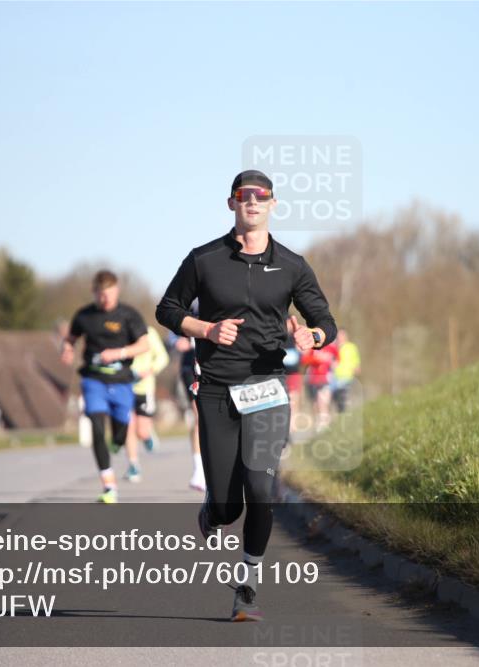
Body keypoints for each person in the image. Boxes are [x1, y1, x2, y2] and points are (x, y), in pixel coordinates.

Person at [156, 169, 337, 622]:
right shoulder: (205, 259)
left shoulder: (293, 265)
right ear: (232, 203)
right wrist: (207, 329)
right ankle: (213, 510)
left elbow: (325, 322)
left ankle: (248, 588)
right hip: (217, 388)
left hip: (267, 388)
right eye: (243, 195)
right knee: (226, 505)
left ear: (273, 204)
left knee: (261, 489)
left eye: (261, 196)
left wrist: (311, 336)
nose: (252, 202)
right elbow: (167, 309)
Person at [62, 270, 150, 503]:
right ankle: (108, 485)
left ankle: (118, 442)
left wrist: (118, 353)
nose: (105, 299)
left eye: (109, 294)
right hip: (93, 380)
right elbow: (71, 337)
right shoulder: (84, 316)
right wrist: (68, 349)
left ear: (117, 290)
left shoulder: (128, 315)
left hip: (121, 381)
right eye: (101, 295)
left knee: (120, 431)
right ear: (94, 293)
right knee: (97, 426)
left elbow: (144, 344)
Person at [174, 332, 206, 491]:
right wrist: (180, 340)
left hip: (221, 363)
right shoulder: (190, 308)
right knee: (200, 417)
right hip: (192, 367)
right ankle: (199, 471)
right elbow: (172, 335)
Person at [131, 325, 170, 455]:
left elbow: (163, 357)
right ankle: (133, 464)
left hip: (144, 387)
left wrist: (149, 371)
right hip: (123, 386)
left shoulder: (148, 332)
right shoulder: (118, 331)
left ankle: (147, 434)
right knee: (127, 426)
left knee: (141, 431)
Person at [302, 341, 338, 432]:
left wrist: (331, 362)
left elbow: (337, 360)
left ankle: (324, 424)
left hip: (326, 379)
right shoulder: (313, 347)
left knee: (322, 402)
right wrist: (317, 359)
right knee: (315, 404)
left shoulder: (332, 348)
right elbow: (304, 360)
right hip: (313, 380)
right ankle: (319, 422)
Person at [330, 329, 361, 413]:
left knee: (343, 396)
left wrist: (357, 367)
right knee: (334, 398)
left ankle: (344, 413)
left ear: (346, 336)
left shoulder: (351, 347)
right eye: (339, 335)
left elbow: (356, 360)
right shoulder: (333, 347)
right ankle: (340, 414)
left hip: (347, 376)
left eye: (342, 335)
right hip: (334, 377)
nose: (340, 337)